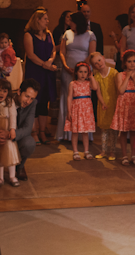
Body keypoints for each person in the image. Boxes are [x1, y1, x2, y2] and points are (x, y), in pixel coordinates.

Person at [58, 12, 96, 142]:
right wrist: (65, 65)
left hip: (83, 71)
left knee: (82, 101)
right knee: (67, 98)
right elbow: (62, 52)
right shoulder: (67, 34)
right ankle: (66, 134)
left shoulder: (90, 35)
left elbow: (92, 54)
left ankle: (83, 134)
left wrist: (81, 67)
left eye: (72, 21)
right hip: (68, 70)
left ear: (78, 22)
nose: (69, 23)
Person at [23, 9, 58, 144]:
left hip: (47, 72)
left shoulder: (48, 34)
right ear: (37, 20)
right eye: (45, 19)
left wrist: (50, 60)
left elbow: (53, 50)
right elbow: (30, 54)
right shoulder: (29, 35)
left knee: (44, 102)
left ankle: (43, 132)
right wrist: (44, 64)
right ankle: (34, 132)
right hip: (35, 71)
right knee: (34, 102)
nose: (47, 21)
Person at [112, 50, 135, 166]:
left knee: (134, 131)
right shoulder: (120, 75)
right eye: (129, 61)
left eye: (134, 61)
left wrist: (134, 78)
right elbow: (120, 90)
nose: (132, 64)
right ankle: (125, 155)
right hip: (124, 103)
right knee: (124, 131)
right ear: (125, 63)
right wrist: (127, 77)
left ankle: (134, 155)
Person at [64, 62, 100, 160]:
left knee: (85, 131)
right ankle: (75, 151)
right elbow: (69, 97)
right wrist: (69, 111)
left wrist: (91, 77)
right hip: (76, 108)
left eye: (85, 72)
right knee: (75, 131)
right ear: (76, 72)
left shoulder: (89, 83)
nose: (83, 74)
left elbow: (95, 87)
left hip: (86, 109)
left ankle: (86, 151)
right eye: (81, 72)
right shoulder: (72, 84)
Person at [90, 51, 119, 161]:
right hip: (103, 106)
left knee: (113, 131)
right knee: (104, 130)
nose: (98, 63)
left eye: (99, 60)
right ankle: (103, 151)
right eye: (95, 63)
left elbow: (117, 89)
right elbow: (98, 92)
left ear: (103, 58)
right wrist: (102, 103)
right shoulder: (97, 76)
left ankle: (112, 151)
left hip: (113, 104)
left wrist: (117, 103)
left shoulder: (114, 73)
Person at [14, 79, 40, 181]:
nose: (28, 101)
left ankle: (20, 166)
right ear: (19, 91)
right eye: (27, 96)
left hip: (16, 135)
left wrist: (11, 135)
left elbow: (28, 128)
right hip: (3, 132)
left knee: (29, 143)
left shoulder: (32, 104)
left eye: (32, 98)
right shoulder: (7, 98)